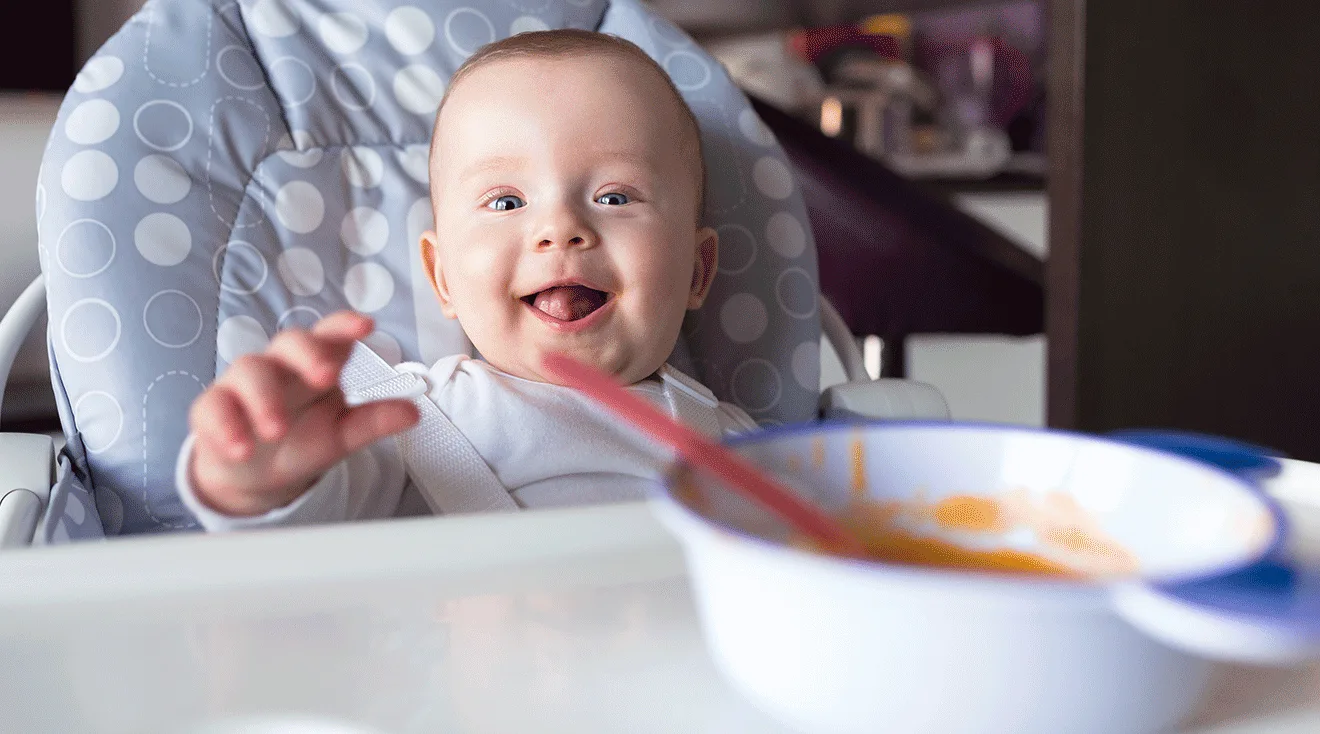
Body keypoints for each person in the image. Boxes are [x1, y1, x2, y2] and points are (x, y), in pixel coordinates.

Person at [175, 29, 758, 529]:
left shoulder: (745, 450)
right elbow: (304, 537)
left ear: (695, 271)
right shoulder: (400, 428)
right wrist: (258, 478)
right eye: (506, 202)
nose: (560, 228)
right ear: (443, 277)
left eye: (613, 196)